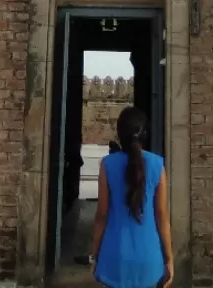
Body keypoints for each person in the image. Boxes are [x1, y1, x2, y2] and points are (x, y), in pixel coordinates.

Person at [91, 106, 173, 288]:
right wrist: (169, 259)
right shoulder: (157, 165)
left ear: (120, 134)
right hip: (149, 261)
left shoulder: (107, 165)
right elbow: (162, 216)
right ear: (145, 134)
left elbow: (101, 216)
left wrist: (94, 256)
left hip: (114, 258)